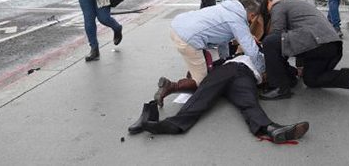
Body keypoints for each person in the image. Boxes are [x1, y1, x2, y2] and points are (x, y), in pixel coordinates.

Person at [128, 55, 309, 144]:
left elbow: (290, 75)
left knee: (248, 103)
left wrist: (295, 73)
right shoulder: (235, 55)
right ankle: (174, 124)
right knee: (203, 95)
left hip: (247, 77)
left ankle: (270, 129)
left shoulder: (269, 55)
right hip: (230, 69)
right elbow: (201, 72)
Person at [154, 0, 265, 107]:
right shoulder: (237, 20)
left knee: (199, 63)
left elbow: (223, 40)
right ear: (252, 15)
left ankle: (192, 73)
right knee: (203, 83)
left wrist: (225, 60)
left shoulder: (228, 8)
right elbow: (251, 50)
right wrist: (261, 71)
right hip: (189, 39)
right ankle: (170, 86)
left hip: (178, 26)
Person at [258, 0, 349, 100]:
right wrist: (298, 67)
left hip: (316, 42)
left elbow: (278, 35)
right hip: (331, 45)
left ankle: (279, 88)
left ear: (269, 1)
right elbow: (296, 38)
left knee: (270, 41)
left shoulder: (278, 5)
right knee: (311, 79)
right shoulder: (298, 4)